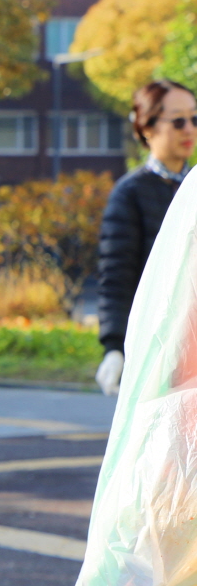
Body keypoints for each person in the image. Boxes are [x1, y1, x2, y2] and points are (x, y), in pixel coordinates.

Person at [97, 79, 197, 395]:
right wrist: (114, 346)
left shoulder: (193, 188)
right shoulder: (130, 194)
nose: (189, 129)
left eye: (195, 118)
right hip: (157, 349)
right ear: (147, 127)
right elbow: (116, 276)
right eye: (177, 120)